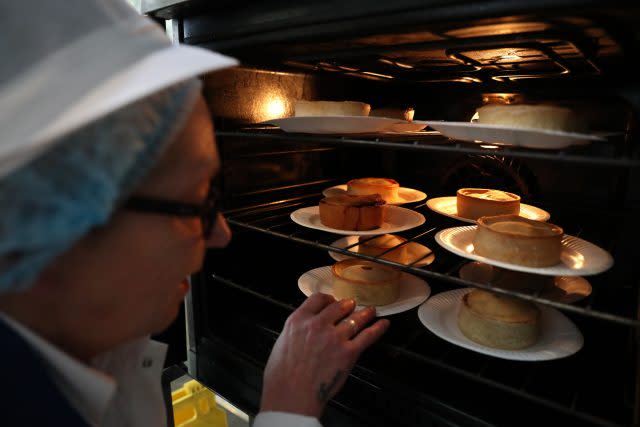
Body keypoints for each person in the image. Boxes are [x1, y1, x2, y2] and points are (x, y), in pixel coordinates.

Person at [0, 1, 390, 426]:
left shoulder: (96, 351)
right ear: (54, 223)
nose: (221, 234)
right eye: (199, 203)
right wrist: (287, 407)